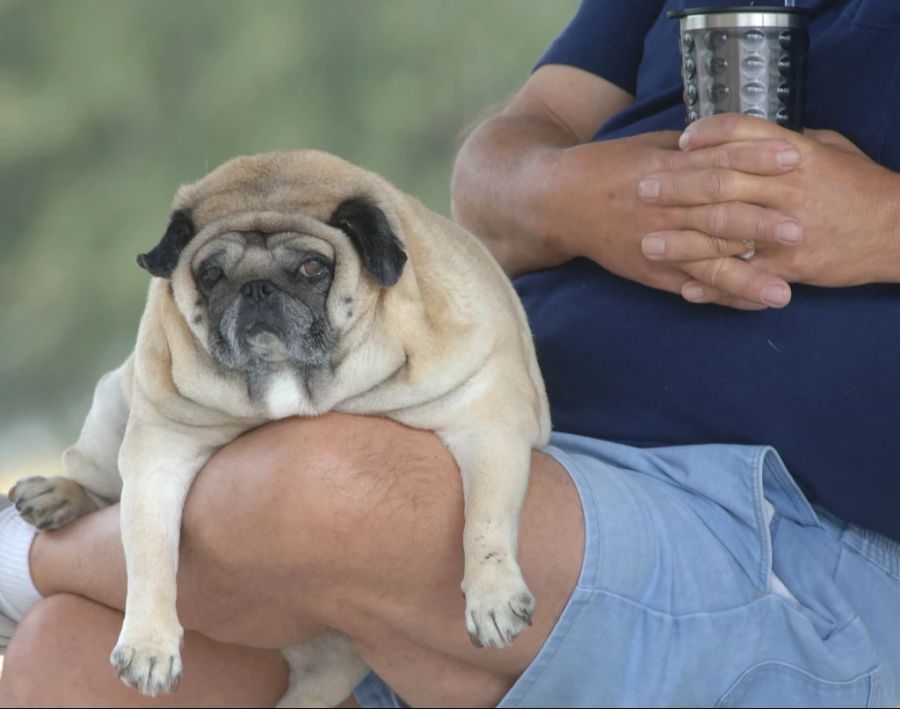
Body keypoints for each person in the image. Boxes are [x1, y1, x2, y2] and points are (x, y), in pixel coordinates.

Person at [1, 1, 898, 706]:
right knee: (69, 666)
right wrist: (566, 193)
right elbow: (502, 162)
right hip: (520, 461)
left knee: (319, 489)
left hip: (812, 547)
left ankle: (29, 560)